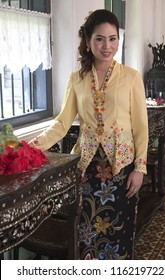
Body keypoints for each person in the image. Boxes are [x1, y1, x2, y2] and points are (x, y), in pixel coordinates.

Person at [29, 9, 148, 260]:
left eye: (113, 38)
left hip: (122, 168)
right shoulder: (77, 79)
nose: (107, 46)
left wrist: (140, 168)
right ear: (88, 41)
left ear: (119, 40)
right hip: (86, 169)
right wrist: (32, 147)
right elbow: (62, 123)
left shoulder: (131, 77)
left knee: (119, 230)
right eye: (100, 39)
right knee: (86, 232)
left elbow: (140, 126)